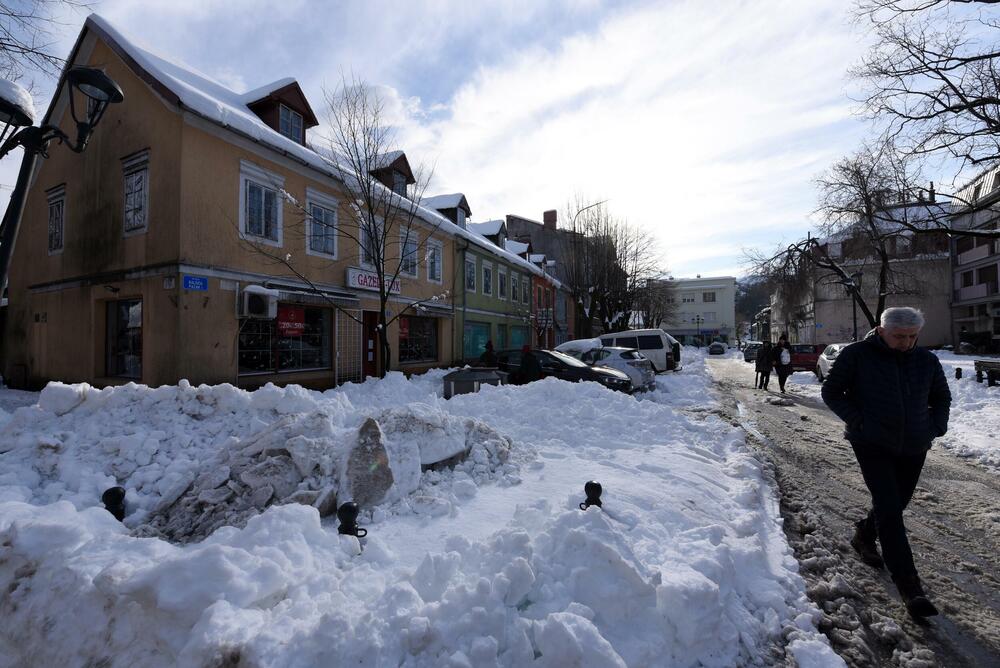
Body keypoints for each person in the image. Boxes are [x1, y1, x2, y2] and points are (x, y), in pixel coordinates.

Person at [821, 307, 951, 618]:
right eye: (899, 337)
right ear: (881, 331)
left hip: (915, 445)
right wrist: (859, 422)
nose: (907, 343)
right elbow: (831, 391)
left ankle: (864, 535)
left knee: (895, 504)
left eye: (912, 337)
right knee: (890, 509)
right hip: (872, 444)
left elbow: (942, 397)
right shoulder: (858, 355)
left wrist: (935, 426)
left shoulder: (926, 360)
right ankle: (910, 587)